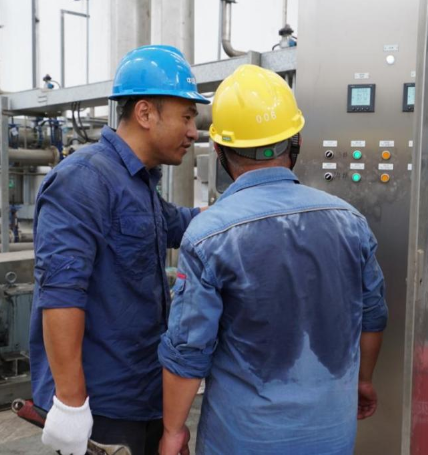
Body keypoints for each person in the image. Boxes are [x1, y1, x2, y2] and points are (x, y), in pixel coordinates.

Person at [157, 64, 388, 455]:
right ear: (295, 141)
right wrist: (363, 380)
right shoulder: (351, 222)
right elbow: (373, 315)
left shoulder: (208, 235)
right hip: (332, 436)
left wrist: (173, 431)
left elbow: (189, 350)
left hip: (244, 439)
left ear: (219, 150)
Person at [29, 45, 210, 455]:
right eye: (186, 117)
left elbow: (177, 223)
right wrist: (71, 403)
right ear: (145, 113)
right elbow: (61, 295)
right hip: (102, 404)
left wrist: (244, 205)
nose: (193, 131)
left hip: (144, 390)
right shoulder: (83, 180)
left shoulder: (138, 182)